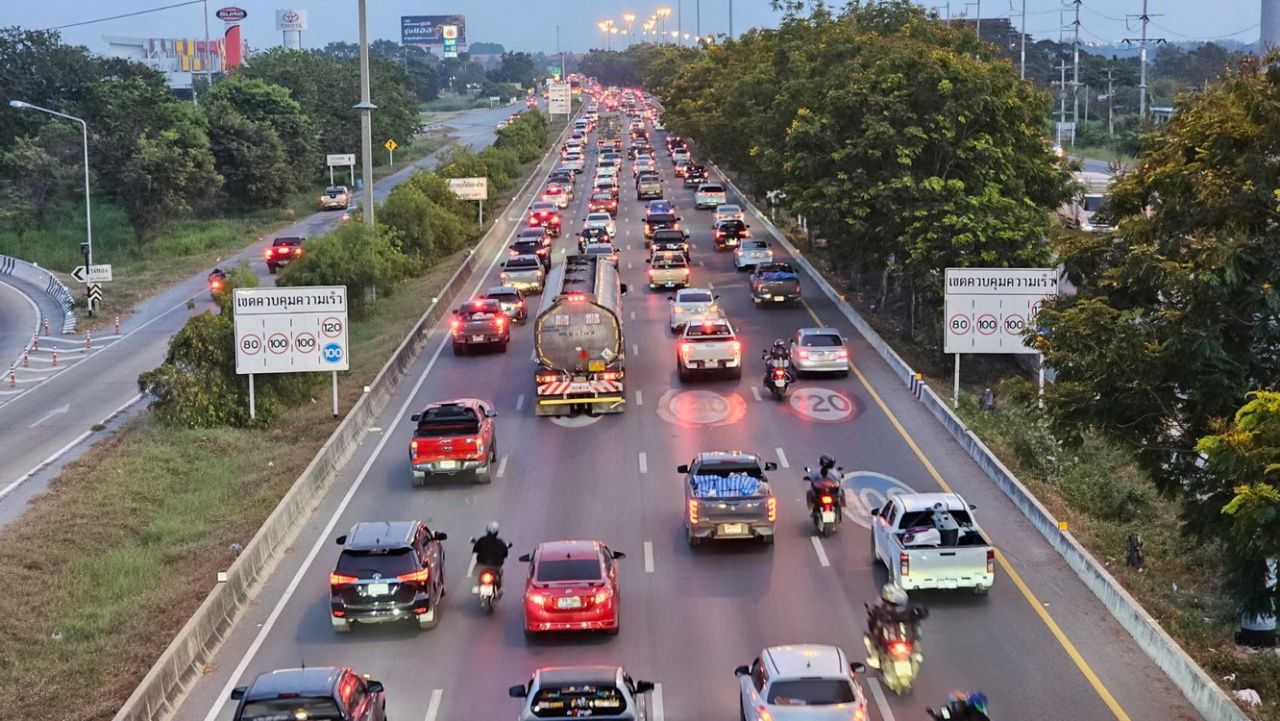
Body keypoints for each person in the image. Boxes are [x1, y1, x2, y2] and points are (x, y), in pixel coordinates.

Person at [864, 584, 929, 669]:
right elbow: (923, 614)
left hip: (894, 641)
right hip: (904, 641)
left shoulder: (883, 611)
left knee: (869, 638)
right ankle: (916, 651)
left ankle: (874, 657)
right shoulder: (911, 610)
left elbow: (872, 624)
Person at [472, 521, 511, 594]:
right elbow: (505, 554)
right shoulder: (500, 543)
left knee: (476, 573)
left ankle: (478, 585)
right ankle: (499, 589)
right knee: (500, 573)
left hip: (482, 565)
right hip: (495, 567)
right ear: (497, 532)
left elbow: (474, 551)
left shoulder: (481, 540)